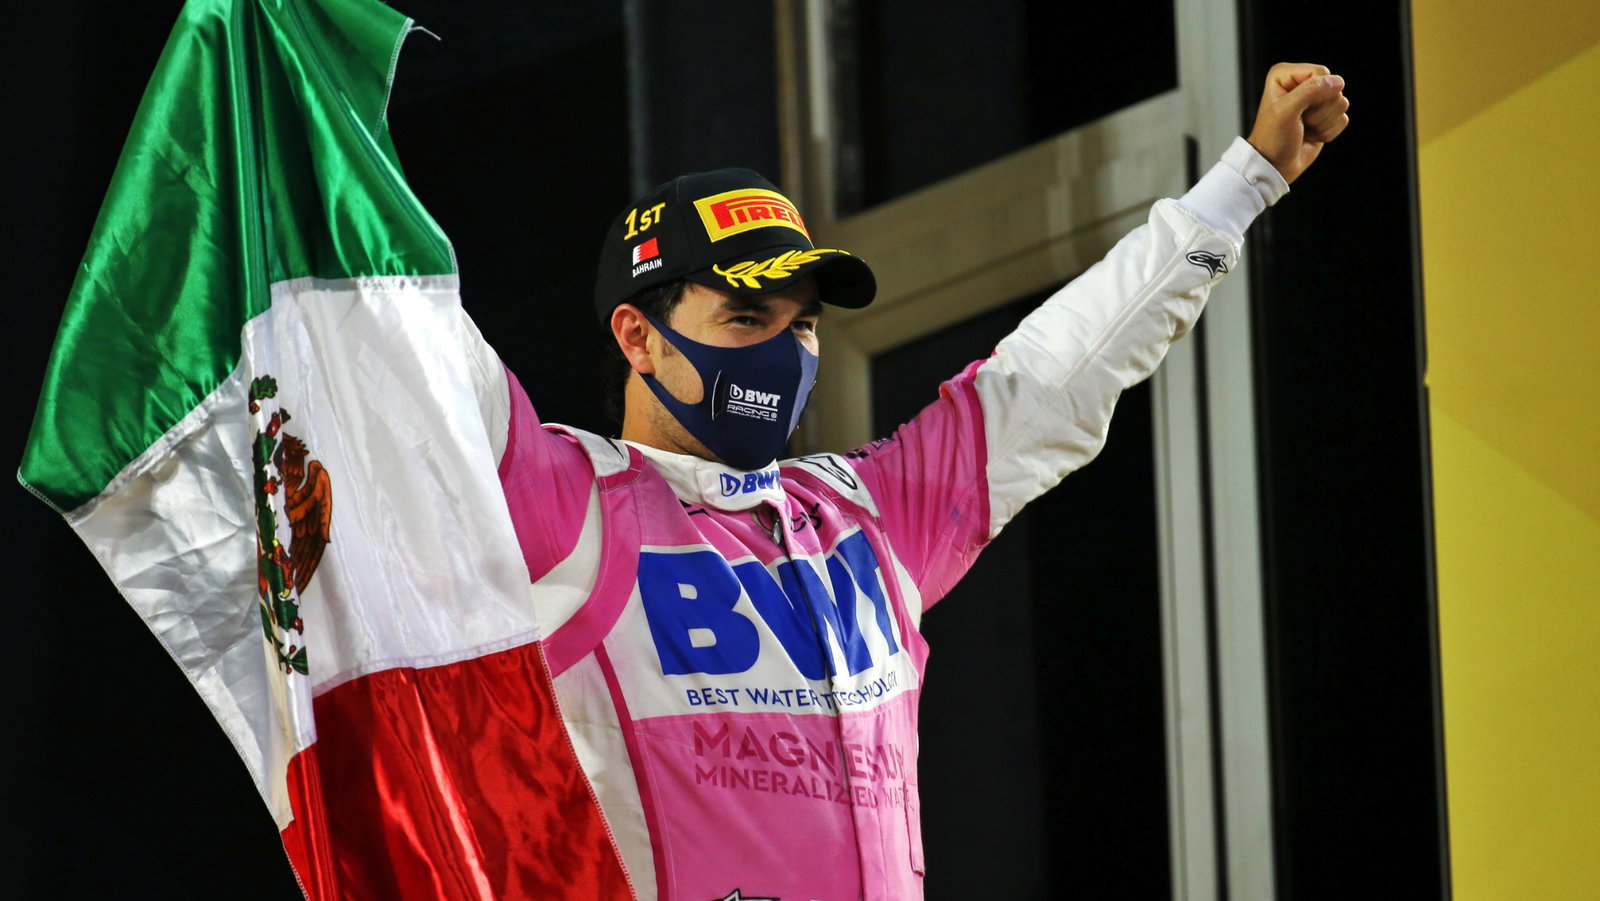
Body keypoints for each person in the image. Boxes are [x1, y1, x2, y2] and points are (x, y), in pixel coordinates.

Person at [483, 63, 1347, 901]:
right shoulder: (564, 497)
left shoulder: (868, 514)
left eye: (804, 325)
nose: (783, 352)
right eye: (745, 317)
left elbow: (1062, 371)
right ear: (637, 337)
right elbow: (407, 343)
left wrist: (1245, 183)